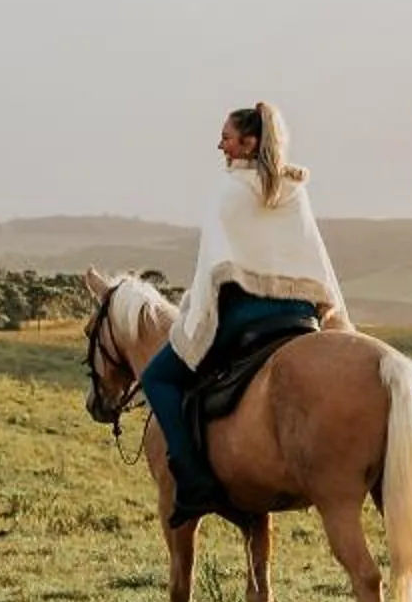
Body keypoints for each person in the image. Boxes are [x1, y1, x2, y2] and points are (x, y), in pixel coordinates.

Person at [140, 102, 351, 525]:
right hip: (302, 318)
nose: (220, 144)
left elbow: (214, 270)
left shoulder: (230, 190)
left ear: (249, 143)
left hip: (248, 316)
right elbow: (314, 260)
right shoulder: (294, 191)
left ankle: (194, 480)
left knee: (158, 377)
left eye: (227, 137)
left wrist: (194, 317)